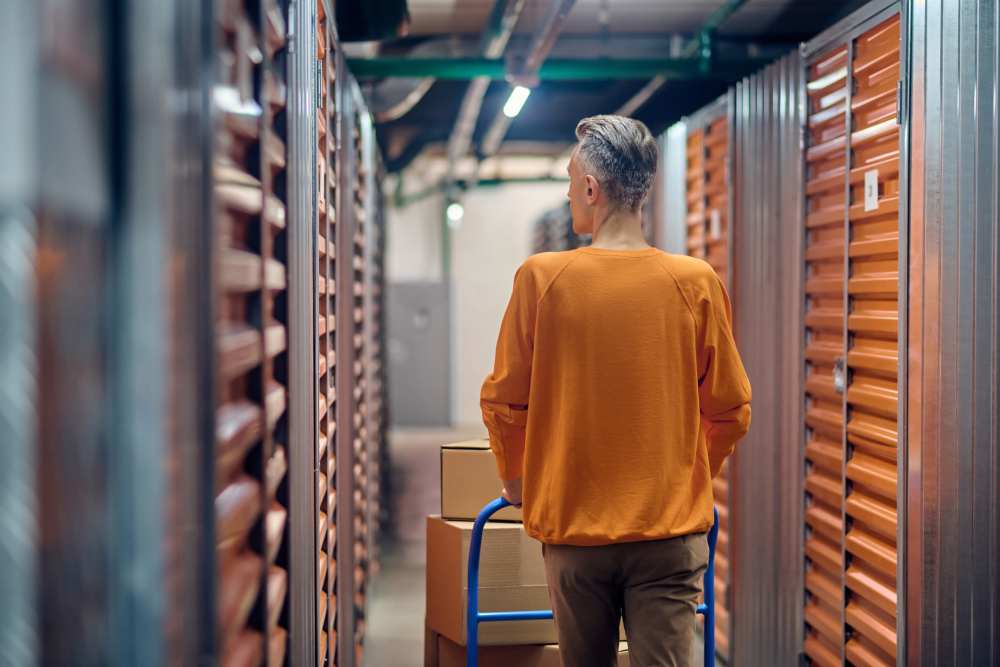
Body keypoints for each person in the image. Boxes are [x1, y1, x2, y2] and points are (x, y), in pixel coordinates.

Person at [480, 114, 751, 667]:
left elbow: (507, 401)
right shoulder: (693, 282)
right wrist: (688, 472)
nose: (568, 193)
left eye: (569, 180)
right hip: (668, 538)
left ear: (590, 188)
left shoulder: (541, 279)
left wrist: (516, 481)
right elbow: (730, 408)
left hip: (576, 536)